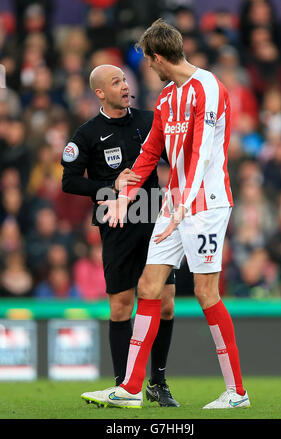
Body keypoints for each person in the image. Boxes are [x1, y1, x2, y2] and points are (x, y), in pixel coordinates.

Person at [81, 19, 250, 410]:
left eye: (148, 62)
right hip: (176, 204)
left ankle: (237, 392)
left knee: (207, 293)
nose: (148, 71)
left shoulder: (207, 87)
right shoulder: (168, 98)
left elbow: (203, 153)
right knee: (149, 287)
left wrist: (183, 205)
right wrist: (125, 196)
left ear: (158, 57)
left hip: (206, 203)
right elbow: (150, 152)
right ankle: (130, 387)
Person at [61, 64, 179, 407]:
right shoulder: (86, 134)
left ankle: (157, 382)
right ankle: (122, 385)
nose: (126, 86)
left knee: (167, 304)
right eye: (117, 82)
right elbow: (69, 181)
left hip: (155, 220)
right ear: (100, 92)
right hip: (116, 226)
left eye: (126, 80)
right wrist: (109, 185)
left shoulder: (149, 120)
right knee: (121, 307)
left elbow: (175, 159)